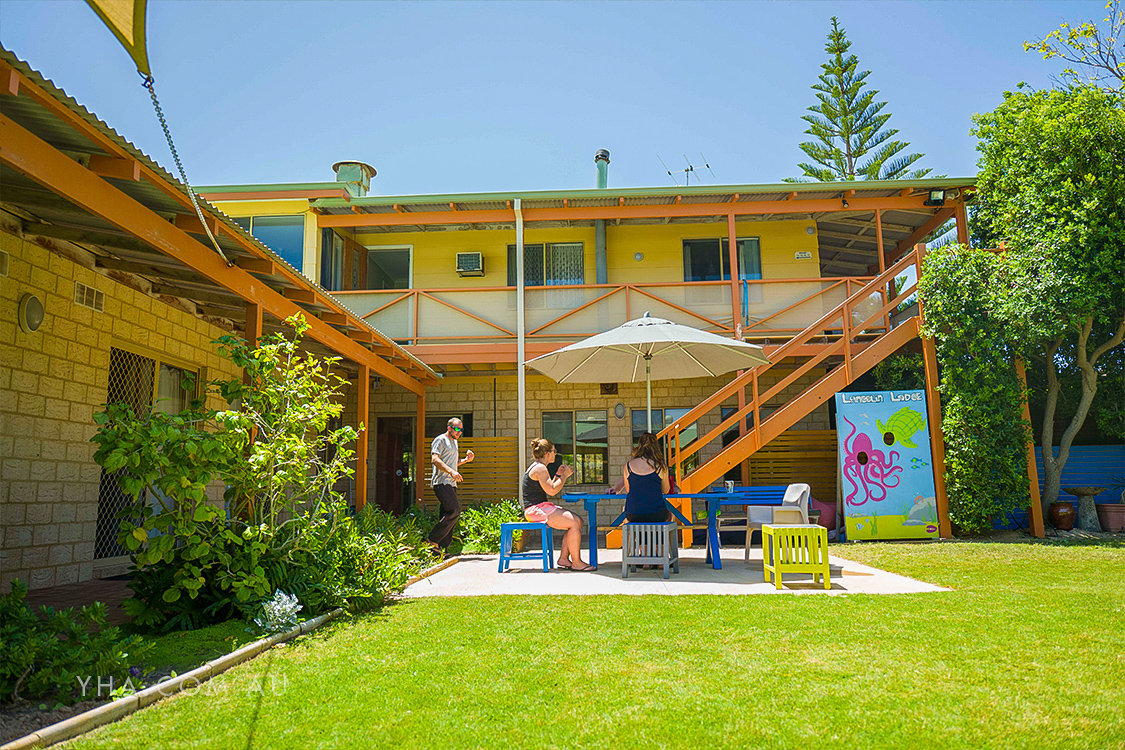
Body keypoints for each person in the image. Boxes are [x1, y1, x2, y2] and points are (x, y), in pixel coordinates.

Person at [523, 438, 594, 571]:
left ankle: (564, 558)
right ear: (547, 454)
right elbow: (552, 490)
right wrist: (564, 477)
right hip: (535, 510)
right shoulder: (540, 468)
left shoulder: (539, 467)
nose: (556, 454)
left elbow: (549, 487)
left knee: (578, 522)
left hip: (540, 507)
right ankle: (577, 562)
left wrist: (557, 475)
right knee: (574, 522)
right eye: (554, 451)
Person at [428, 418, 474, 553]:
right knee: (455, 510)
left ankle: (442, 549)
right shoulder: (440, 440)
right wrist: (451, 471)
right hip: (441, 482)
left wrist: (465, 460)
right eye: (457, 429)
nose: (459, 432)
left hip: (451, 484)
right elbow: (435, 459)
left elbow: (452, 463)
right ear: (449, 428)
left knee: (447, 513)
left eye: (461, 430)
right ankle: (432, 540)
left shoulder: (454, 443)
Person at [622, 432, 672, 523]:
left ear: (640, 446)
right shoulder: (661, 466)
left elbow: (629, 490)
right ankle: (660, 537)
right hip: (656, 513)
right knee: (669, 515)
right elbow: (666, 490)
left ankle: (636, 538)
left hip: (633, 513)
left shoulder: (628, 466)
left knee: (629, 520)